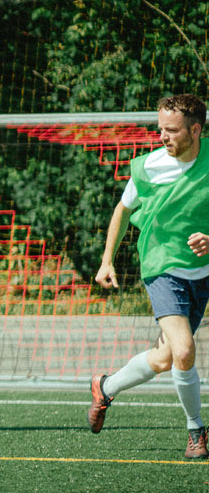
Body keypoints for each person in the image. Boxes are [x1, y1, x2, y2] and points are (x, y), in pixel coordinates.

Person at [88, 93, 209, 459]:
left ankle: (105, 387)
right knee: (185, 351)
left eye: (171, 131)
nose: (162, 137)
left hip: (202, 272)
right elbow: (122, 211)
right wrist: (106, 260)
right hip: (161, 265)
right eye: (160, 129)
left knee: (164, 359)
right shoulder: (150, 167)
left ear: (195, 130)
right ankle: (196, 434)